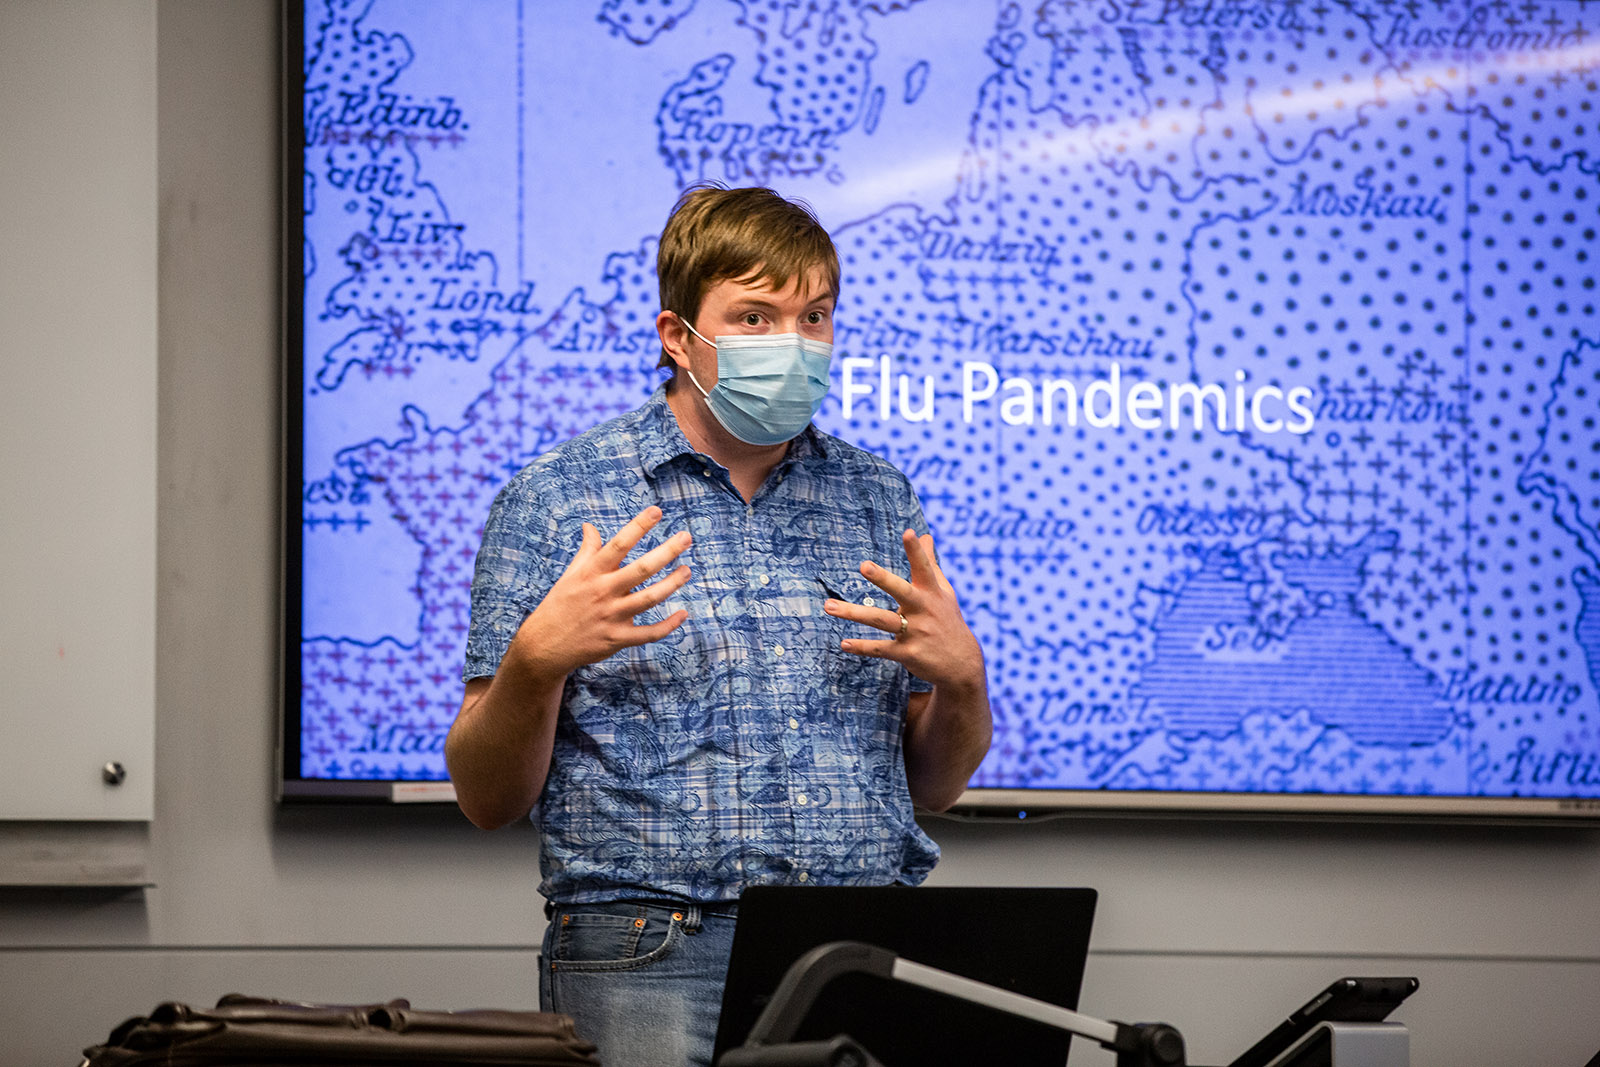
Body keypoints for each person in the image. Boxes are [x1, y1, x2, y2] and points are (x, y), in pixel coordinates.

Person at [446, 184, 992, 1067]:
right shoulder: (559, 500)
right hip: (649, 954)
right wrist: (535, 665)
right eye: (755, 316)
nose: (794, 344)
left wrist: (963, 680)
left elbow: (934, 784)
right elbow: (484, 796)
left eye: (814, 316)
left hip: (852, 948)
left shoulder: (878, 496)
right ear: (678, 339)